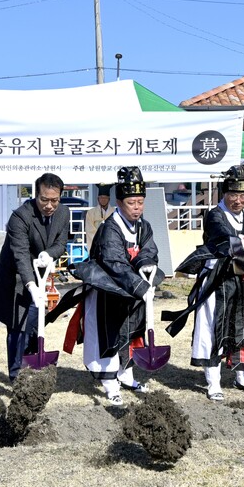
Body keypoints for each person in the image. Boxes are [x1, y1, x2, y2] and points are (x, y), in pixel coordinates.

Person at [50, 165, 163, 407]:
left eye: (140, 202)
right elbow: (114, 262)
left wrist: (146, 264)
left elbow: (149, 249)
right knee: (108, 336)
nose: (137, 208)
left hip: (130, 292)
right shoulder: (110, 227)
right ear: (120, 203)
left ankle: (126, 374)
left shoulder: (144, 225)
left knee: (131, 332)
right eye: (132, 203)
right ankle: (110, 384)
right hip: (108, 291)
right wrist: (141, 287)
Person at [164, 166, 244, 401]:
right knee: (214, 329)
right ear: (224, 193)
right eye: (233, 195)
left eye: (243, 195)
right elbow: (225, 239)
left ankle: (243, 377)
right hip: (218, 282)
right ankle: (214, 382)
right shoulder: (214, 215)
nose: (238, 200)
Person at [0, 173, 71, 383]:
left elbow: (61, 243)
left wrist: (49, 253)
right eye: (44, 200)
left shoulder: (63, 213)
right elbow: (21, 255)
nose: (50, 205)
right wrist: (31, 286)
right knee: (18, 327)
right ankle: (16, 375)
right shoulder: (20, 217)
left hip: (40, 273)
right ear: (36, 196)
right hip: (16, 278)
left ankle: (33, 368)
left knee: (34, 324)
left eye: (55, 200)